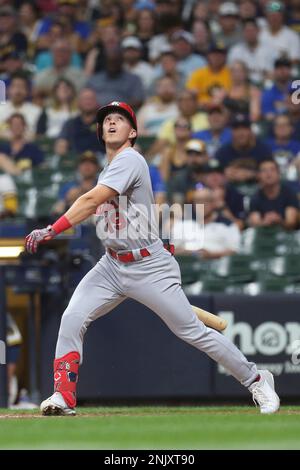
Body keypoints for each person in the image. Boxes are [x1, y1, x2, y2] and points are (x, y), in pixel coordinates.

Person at [25, 100, 280, 416]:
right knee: (72, 318)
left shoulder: (130, 160)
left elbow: (91, 201)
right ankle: (63, 396)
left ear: (133, 132)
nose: (112, 123)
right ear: (100, 131)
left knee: (192, 331)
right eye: (107, 120)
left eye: (120, 119)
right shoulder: (110, 167)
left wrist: (53, 228)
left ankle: (257, 379)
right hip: (112, 265)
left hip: (149, 266)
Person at [171, 187, 241, 259]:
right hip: (187, 266)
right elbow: (172, 250)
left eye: (205, 201)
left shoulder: (228, 225)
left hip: (218, 266)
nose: (201, 205)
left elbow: (234, 251)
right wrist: (192, 253)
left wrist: (211, 255)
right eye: (198, 201)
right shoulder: (182, 224)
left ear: (213, 203)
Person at [215, 113, 273, 183]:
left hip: (258, 189)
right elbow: (212, 175)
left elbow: (272, 175)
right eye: (237, 129)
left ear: (250, 131)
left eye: (244, 129)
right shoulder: (223, 152)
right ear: (231, 132)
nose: (241, 133)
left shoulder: (263, 150)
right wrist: (224, 174)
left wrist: (251, 175)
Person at [248, 159, 299, 230]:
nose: (269, 174)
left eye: (272, 170)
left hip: (287, 235)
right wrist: (264, 222)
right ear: (258, 175)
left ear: (279, 173)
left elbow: (291, 223)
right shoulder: (255, 197)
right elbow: (255, 224)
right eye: (264, 170)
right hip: (264, 235)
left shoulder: (289, 193)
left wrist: (279, 220)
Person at [228, 18, 277, 85]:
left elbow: (274, 73)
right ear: (243, 32)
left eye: (252, 30)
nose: (250, 33)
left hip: (265, 86)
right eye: (247, 31)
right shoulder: (235, 51)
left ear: (258, 31)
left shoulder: (270, 50)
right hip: (243, 87)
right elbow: (231, 73)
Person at [186, 41, 232, 110]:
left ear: (225, 57)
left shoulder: (231, 73)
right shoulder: (198, 73)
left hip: (224, 109)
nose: (217, 57)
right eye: (214, 54)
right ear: (208, 56)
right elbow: (190, 91)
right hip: (201, 108)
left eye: (220, 54)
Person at [52, 150, 100, 215]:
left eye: (91, 162)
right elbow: (56, 211)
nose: (87, 165)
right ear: (78, 167)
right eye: (83, 162)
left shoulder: (102, 185)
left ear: (97, 167)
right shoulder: (68, 186)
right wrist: (67, 200)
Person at [0, 74, 41, 140]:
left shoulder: (37, 111)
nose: (18, 91)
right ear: (8, 90)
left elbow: (38, 135)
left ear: (28, 91)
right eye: (15, 86)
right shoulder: (0, 108)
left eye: (22, 87)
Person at [266, 114, 300, 178]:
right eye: (278, 125)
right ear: (274, 128)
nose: (281, 127)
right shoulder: (265, 145)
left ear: (291, 128)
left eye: (285, 125)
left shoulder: (299, 146)